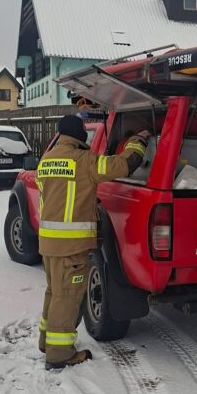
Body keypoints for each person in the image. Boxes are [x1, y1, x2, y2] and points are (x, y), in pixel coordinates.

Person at [37, 115, 150, 370]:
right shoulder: (83, 160)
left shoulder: (47, 159)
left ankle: (47, 342)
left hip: (49, 243)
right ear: (79, 135)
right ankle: (59, 354)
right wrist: (139, 141)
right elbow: (123, 165)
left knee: (54, 293)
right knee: (67, 297)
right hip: (71, 246)